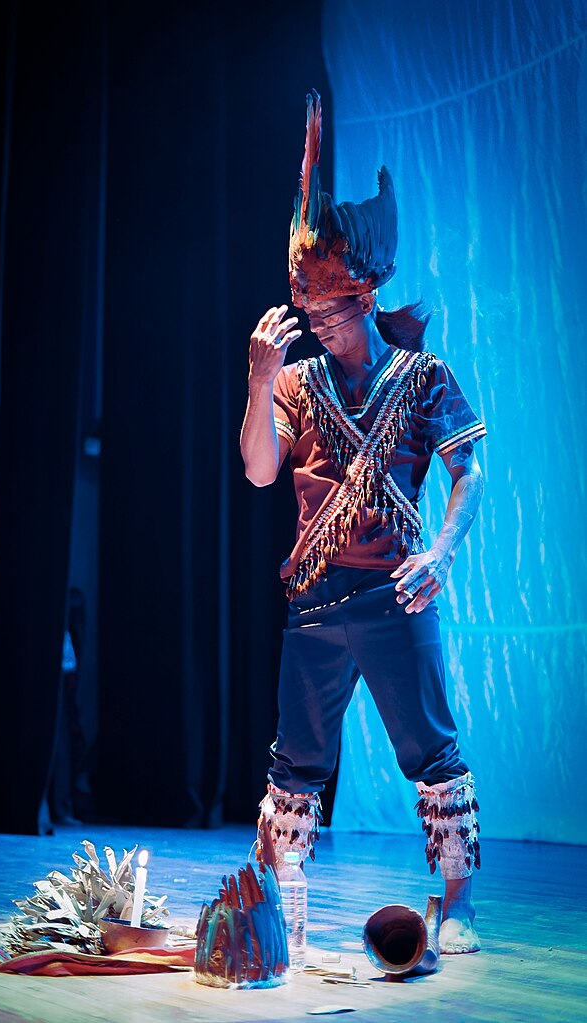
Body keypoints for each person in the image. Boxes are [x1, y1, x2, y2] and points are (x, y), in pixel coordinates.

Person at [240, 90, 486, 955]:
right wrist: (260, 382)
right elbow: (261, 469)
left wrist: (443, 554)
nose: (309, 307)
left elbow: (469, 475)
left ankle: (456, 904)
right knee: (297, 763)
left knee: (431, 751)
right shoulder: (297, 383)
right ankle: (285, 903)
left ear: (366, 287)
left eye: (326, 291)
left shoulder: (421, 377)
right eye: (301, 290)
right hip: (314, 601)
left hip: (394, 593)